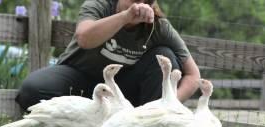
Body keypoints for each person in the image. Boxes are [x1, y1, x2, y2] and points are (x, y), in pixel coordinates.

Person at [15, 0, 201, 111]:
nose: (139, 6)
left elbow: (193, 75)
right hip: (77, 76)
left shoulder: (158, 26)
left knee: (164, 56)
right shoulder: (99, 5)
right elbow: (84, 38)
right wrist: (125, 17)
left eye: (145, 1)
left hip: (119, 90)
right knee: (32, 89)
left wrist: (169, 105)